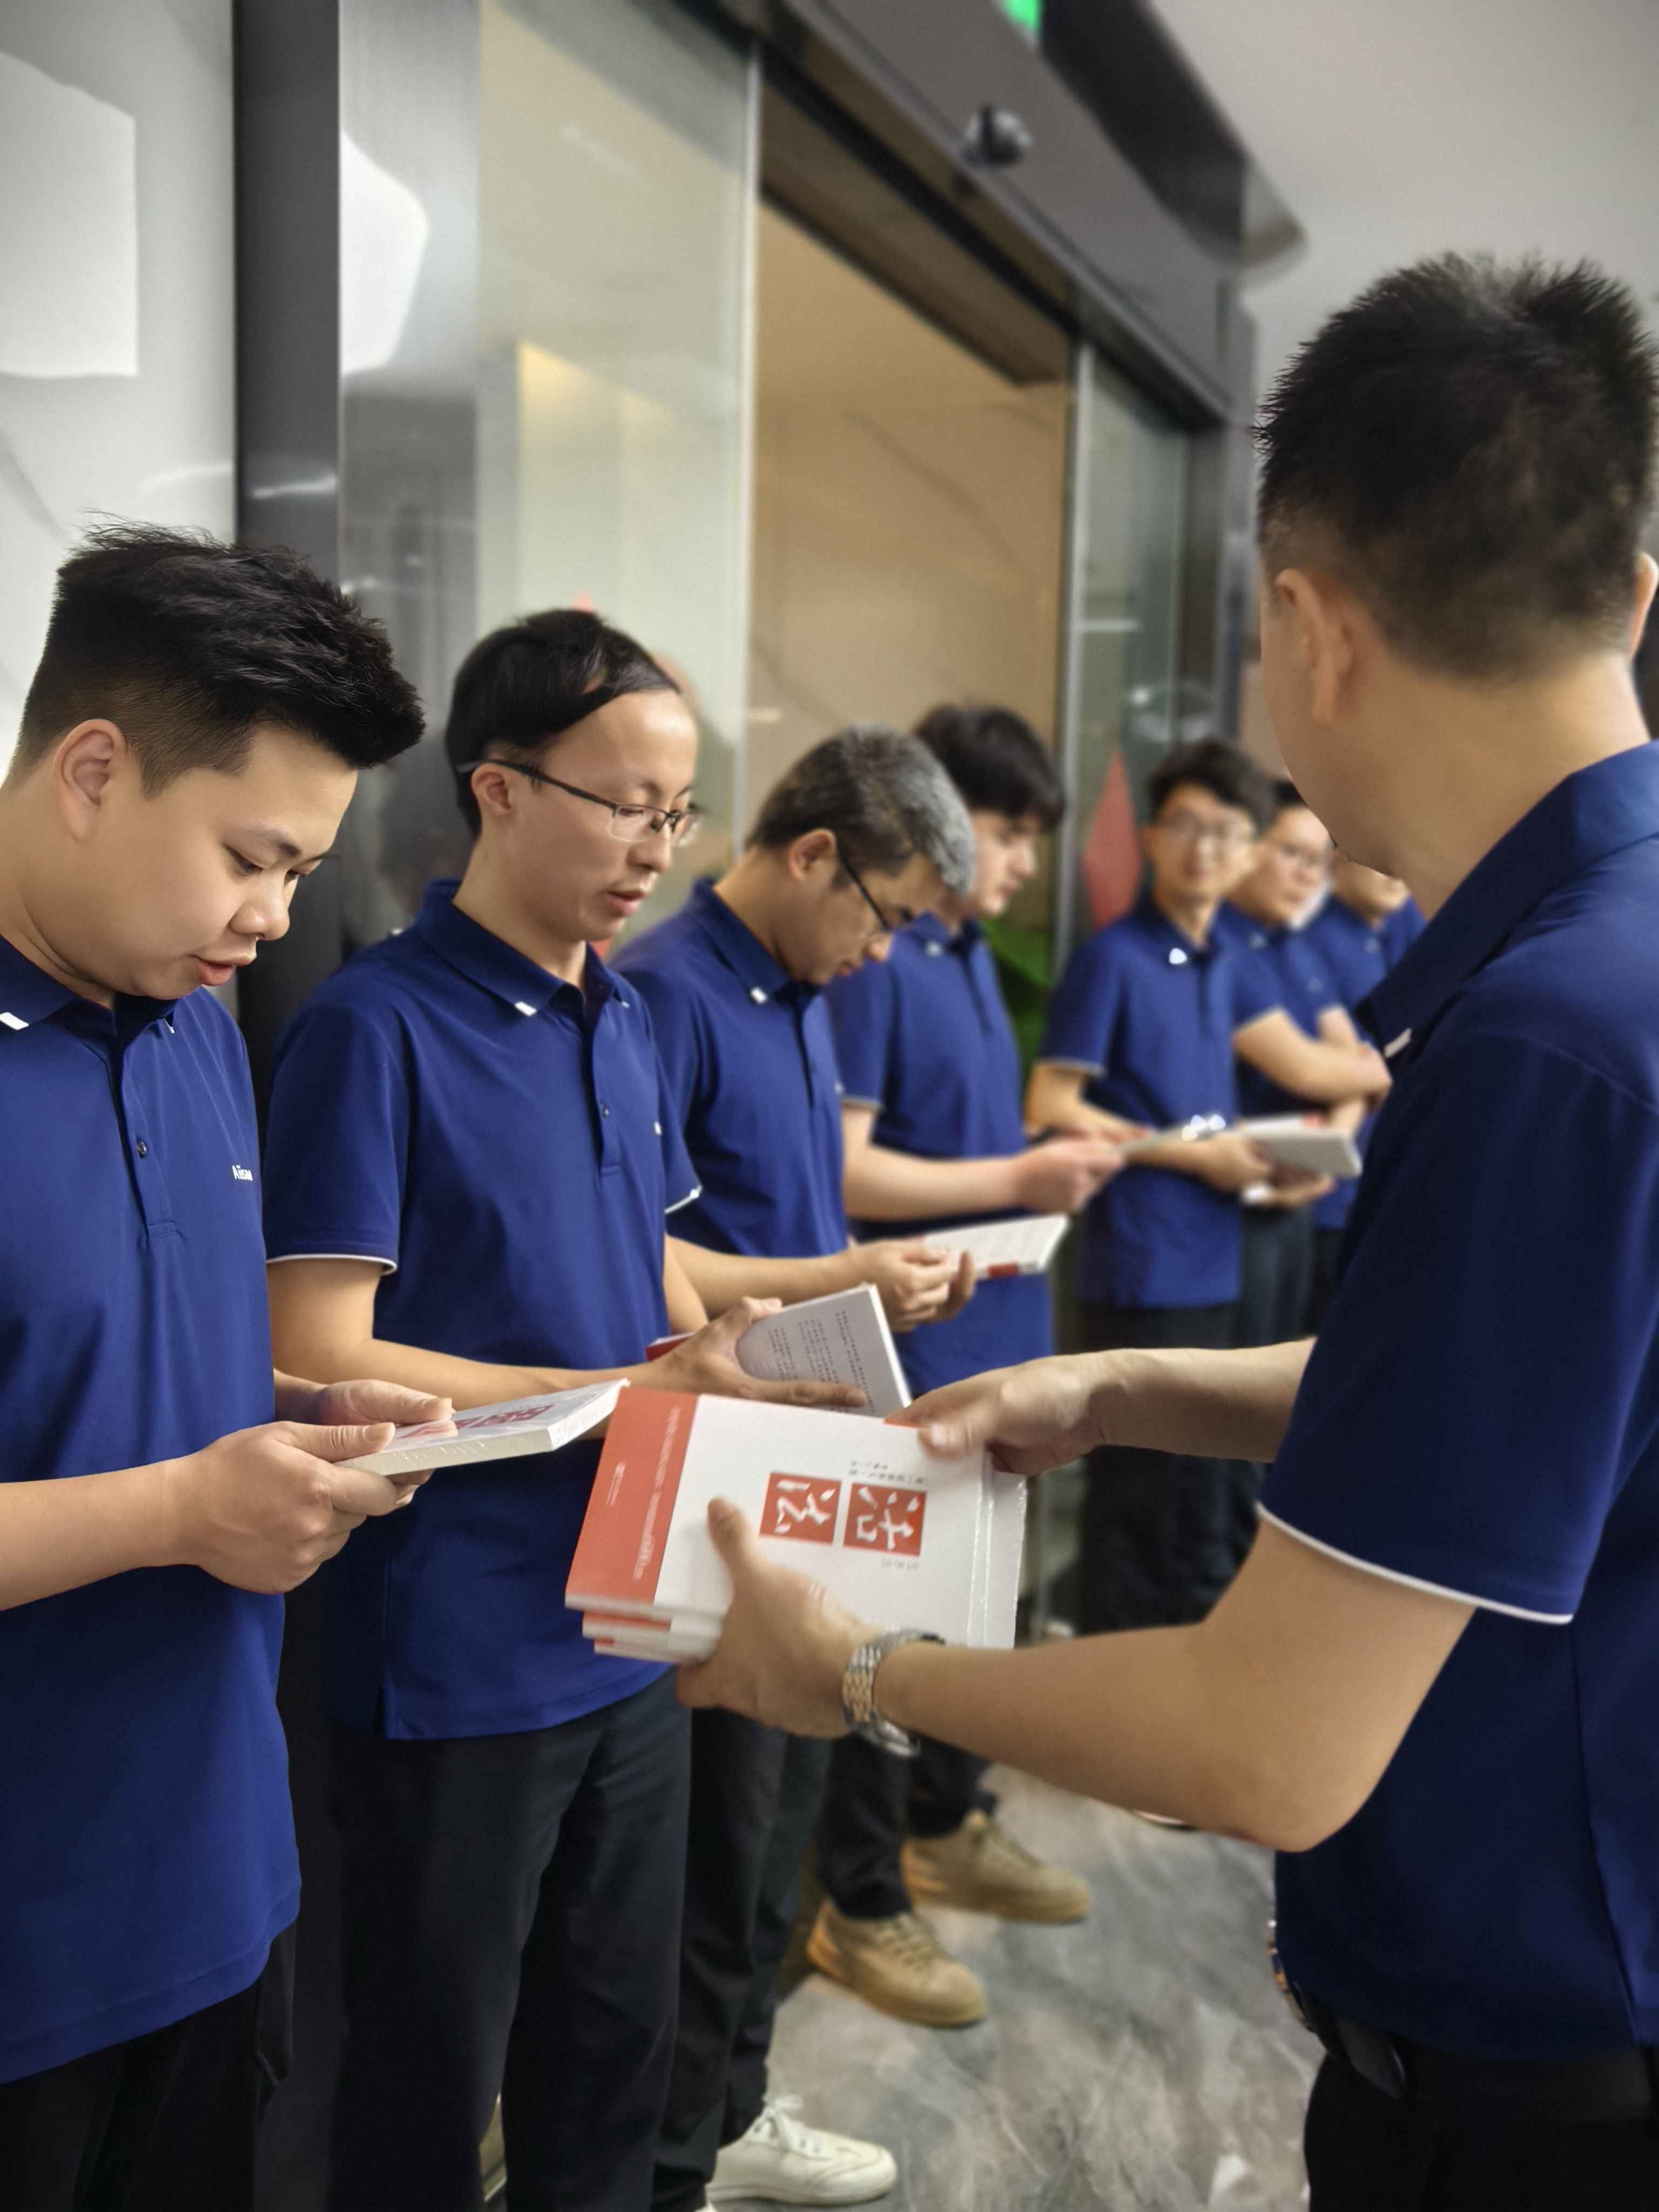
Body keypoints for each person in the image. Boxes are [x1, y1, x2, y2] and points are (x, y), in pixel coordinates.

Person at [680, 252, 1659, 2210]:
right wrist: (1130, 1385)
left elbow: (1269, 1739)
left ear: (1305, 627)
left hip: (1536, 2081)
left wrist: (857, 1670)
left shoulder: (1548, 1040)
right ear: (1633, 596)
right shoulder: (1599, 975)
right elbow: (1519, 1404)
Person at [261, 611, 858, 2212]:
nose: (656, 848)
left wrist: (776, 1335)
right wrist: (626, 1389)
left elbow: (642, 1261)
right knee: (427, 2088)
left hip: (628, 1619)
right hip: (456, 1651)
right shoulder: (374, 1027)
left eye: (678, 812)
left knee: (611, 2059)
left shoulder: (624, 1015)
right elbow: (317, 1342)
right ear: (499, 789)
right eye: (623, 805)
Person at [0, 524, 444, 2212]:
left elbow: (109, 1364)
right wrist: (187, 1509)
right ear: (93, 771)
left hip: (213, 1889)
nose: (274, 919)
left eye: (305, 873)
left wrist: (301, 1415)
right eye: (253, 860)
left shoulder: (192, 1022)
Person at [611, 725, 981, 2210]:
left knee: (775, 1834)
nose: (882, 954)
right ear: (814, 853)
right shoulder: (663, 992)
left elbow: (786, 1224)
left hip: (810, 1456)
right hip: (712, 1479)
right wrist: (847, 1277)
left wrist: (870, 1288)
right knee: (715, 1846)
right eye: (883, 916)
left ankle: (735, 2104)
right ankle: (677, 2151)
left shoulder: (803, 994)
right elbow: (647, 1261)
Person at [811, 705, 1118, 2029]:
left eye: (1033, 839)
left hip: (1002, 1338)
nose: (1020, 864)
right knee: (889, 1641)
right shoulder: (877, 963)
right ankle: (861, 1895)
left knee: (973, 1622)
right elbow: (850, 1169)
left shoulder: (966, 953)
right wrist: (1019, 1175)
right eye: (1005, 832)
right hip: (918, 1351)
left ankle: (947, 1822)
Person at [1024, 738, 1279, 1632]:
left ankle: (1176, 1664)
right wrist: (1189, 1155)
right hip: (1143, 1258)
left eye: (1225, 831)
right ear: (1149, 838)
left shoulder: (1222, 960)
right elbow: (1052, 1102)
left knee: (1194, 1487)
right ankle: (1108, 1665)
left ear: (1249, 851)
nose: (1204, 848)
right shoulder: (1115, 957)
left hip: (1214, 1252)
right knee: (1136, 1490)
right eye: (1185, 826)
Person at [1213, 784, 1389, 1352]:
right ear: (1248, 847)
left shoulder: (1292, 945)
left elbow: (1353, 1061)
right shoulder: (1218, 942)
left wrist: (1325, 1152)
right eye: (1292, 853)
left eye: (1317, 860)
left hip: (1301, 1188)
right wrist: (1375, 1071)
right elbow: (1311, 1071)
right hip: (1237, 1194)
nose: (1307, 875)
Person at [1300, 857, 1424, 1325]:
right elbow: (1341, 1067)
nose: (1395, 872)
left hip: (1384, 1176)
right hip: (1325, 1188)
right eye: (1377, 859)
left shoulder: (1399, 927)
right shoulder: (1313, 941)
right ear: (1336, 861)